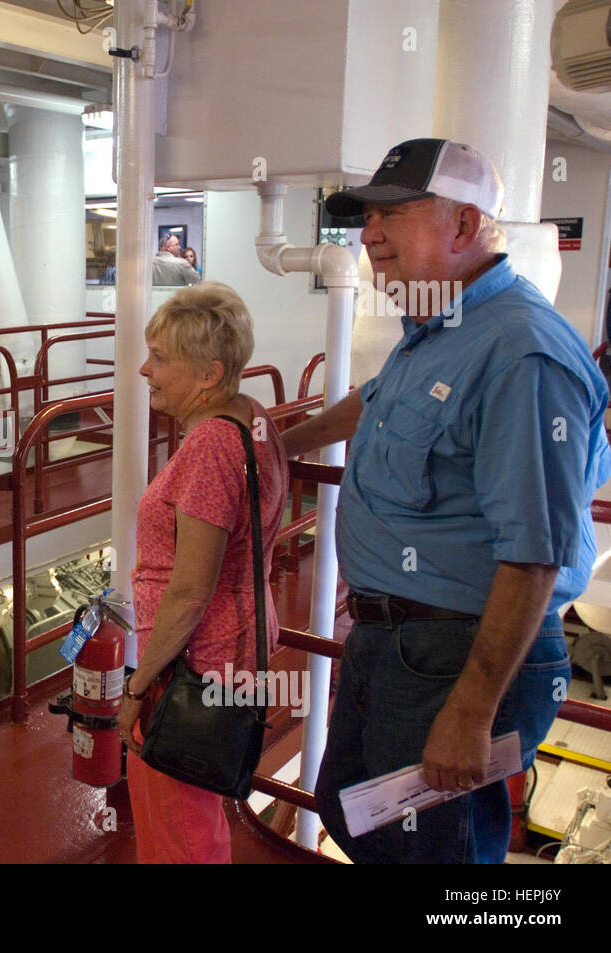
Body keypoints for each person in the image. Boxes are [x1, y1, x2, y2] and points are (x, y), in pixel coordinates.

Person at [283, 138, 610, 863]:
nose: (368, 235)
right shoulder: (438, 328)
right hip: (394, 640)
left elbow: (535, 555)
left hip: (456, 657)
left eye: (391, 216)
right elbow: (373, 402)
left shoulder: (523, 353)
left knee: (436, 857)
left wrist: (471, 710)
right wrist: (283, 445)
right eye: (367, 217)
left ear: (463, 227)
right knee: (352, 809)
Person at [118, 282, 289, 863]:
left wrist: (138, 689)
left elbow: (190, 590)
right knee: (194, 818)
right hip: (231, 649)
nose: (145, 369)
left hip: (193, 666)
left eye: (161, 358)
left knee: (177, 829)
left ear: (210, 374)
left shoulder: (211, 446)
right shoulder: (250, 416)